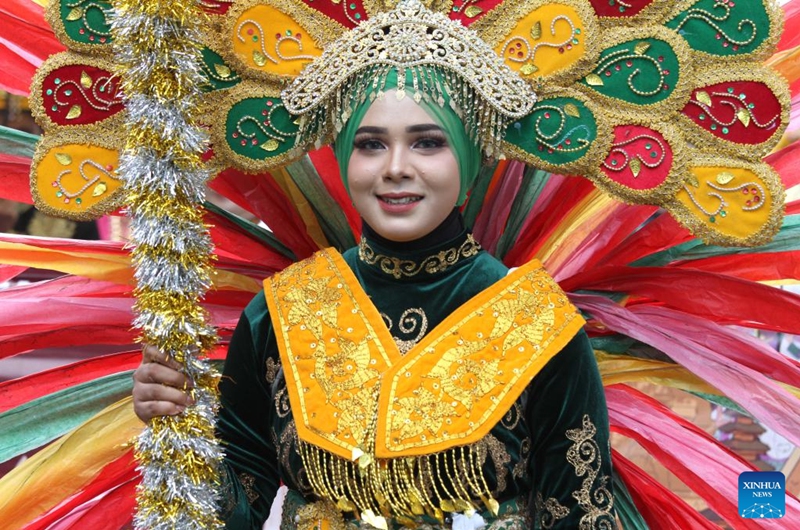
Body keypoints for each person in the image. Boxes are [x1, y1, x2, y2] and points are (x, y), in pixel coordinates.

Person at [134, 2, 615, 528]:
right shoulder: (277, 314)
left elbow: (577, 515)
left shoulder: (541, 327)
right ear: (344, 159)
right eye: (371, 145)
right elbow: (231, 511)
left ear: (469, 158)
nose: (396, 169)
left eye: (428, 142)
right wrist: (180, 427)